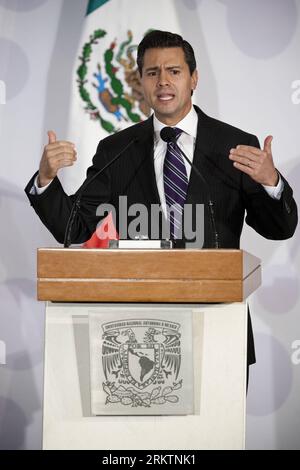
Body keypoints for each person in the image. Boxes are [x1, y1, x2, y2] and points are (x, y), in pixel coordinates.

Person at [25, 30, 298, 372]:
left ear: (194, 78)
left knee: (215, 429)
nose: (163, 81)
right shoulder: (117, 150)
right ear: (141, 81)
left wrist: (271, 183)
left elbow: (280, 229)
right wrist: (46, 179)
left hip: (219, 327)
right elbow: (75, 227)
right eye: (152, 73)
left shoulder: (235, 145)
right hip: (138, 333)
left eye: (174, 71)